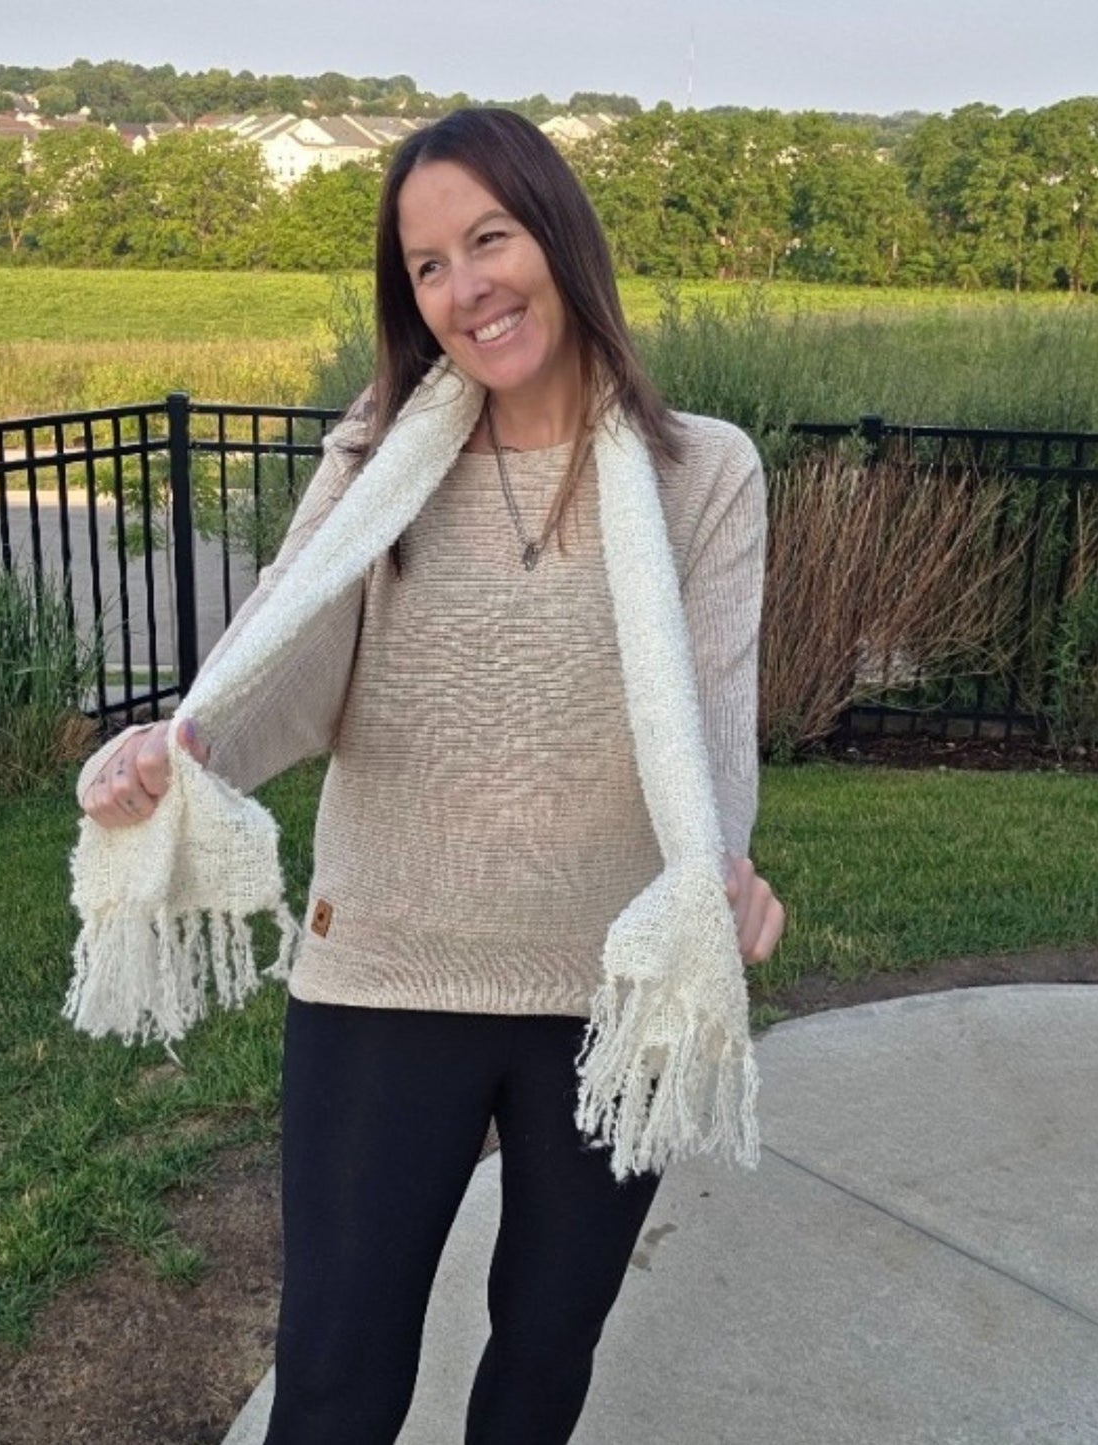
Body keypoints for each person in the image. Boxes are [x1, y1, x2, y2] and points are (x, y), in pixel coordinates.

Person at [75, 107, 786, 1445]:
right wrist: (180, 753)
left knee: (542, 1356)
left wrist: (720, 871)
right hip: (383, 974)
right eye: (426, 266)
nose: (464, 288)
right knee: (335, 1384)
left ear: (558, 239)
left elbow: (709, 720)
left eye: (488, 238)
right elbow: (281, 662)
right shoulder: (379, 459)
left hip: (608, 983)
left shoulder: (705, 474)